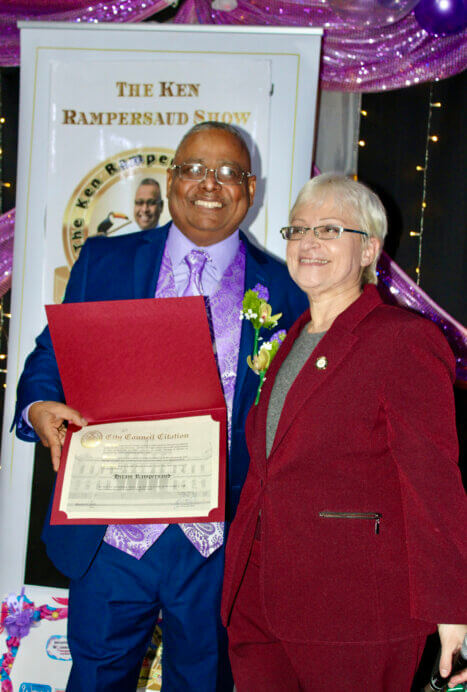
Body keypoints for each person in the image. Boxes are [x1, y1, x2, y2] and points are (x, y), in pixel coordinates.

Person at [12, 121, 308, 691]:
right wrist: (41, 406)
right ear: (171, 181)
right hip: (110, 531)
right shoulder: (105, 261)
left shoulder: (287, 288)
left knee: (205, 682)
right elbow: (52, 354)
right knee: (96, 679)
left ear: (251, 190)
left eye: (229, 173)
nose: (209, 185)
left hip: (218, 540)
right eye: (194, 169)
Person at [221, 173, 467, 691]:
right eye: (298, 229)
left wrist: (452, 608)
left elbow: (434, 485)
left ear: (368, 249)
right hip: (261, 601)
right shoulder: (293, 337)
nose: (308, 242)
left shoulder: (404, 341)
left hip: (355, 612)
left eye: (329, 229)